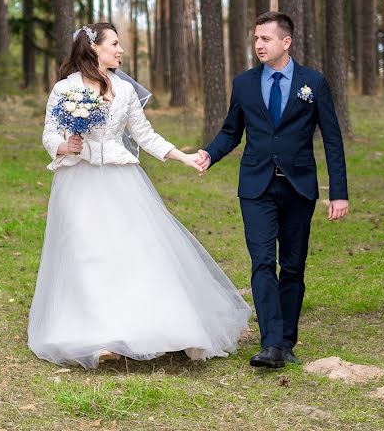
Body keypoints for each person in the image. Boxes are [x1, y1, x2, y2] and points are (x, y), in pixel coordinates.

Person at [28, 22, 251, 369]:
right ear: (93, 49)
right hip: (79, 180)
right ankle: (100, 337)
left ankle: (159, 325)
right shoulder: (65, 89)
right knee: (88, 253)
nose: (120, 50)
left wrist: (184, 157)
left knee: (133, 250)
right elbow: (48, 132)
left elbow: (146, 136)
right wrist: (63, 145)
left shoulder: (125, 91)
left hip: (121, 181)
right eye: (114, 44)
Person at [196, 11, 348, 369]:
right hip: (256, 187)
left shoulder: (314, 82)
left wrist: (338, 192)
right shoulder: (245, 83)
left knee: (293, 266)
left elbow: (333, 139)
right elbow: (232, 130)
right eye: (255, 39)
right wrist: (209, 154)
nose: (258, 45)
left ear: (286, 42)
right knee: (263, 262)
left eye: (265, 39)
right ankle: (271, 344)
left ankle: (288, 340)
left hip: (299, 188)